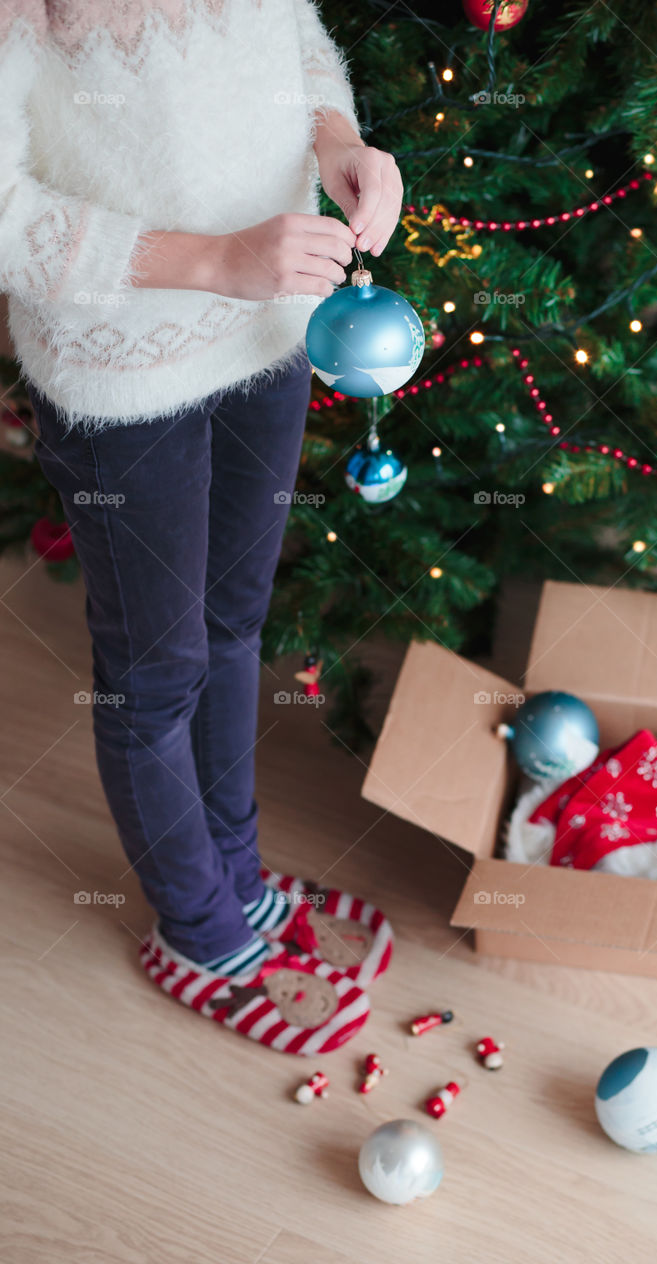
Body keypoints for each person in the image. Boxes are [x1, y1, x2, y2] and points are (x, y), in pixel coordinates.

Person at [1, 0, 399, 1055]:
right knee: (155, 666)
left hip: (266, 333)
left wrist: (342, 141)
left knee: (233, 620)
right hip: (122, 374)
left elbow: (297, 44)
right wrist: (215, 262)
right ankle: (199, 928)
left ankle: (240, 874)